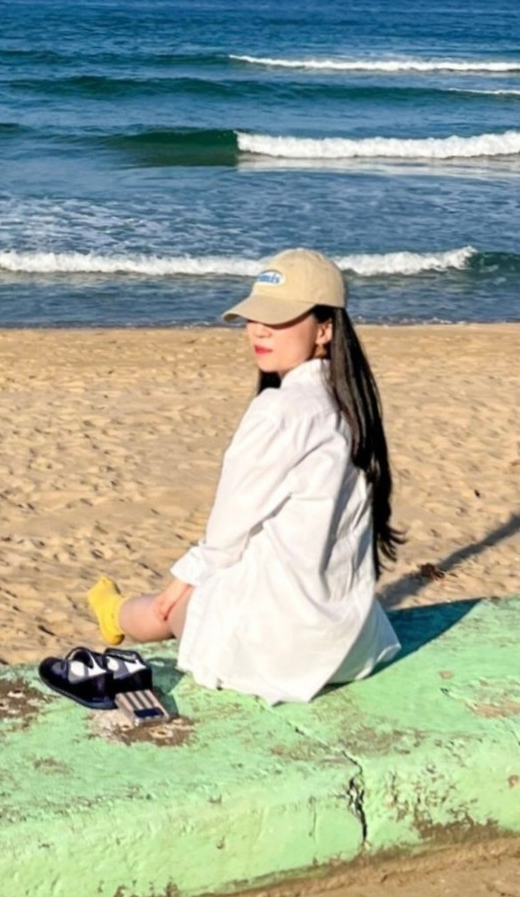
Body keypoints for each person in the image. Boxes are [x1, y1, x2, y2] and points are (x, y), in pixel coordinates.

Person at [87, 248, 403, 704]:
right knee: (213, 581)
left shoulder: (279, 410)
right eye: (255, 317)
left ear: (325, 329)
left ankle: (114, 613)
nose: (258, 329)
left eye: (278, 319)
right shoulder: (352, 407)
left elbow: (227, 531)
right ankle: (126, 609)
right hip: (352, 646)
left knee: (170, 606)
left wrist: (182, 583)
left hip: (279, 655)